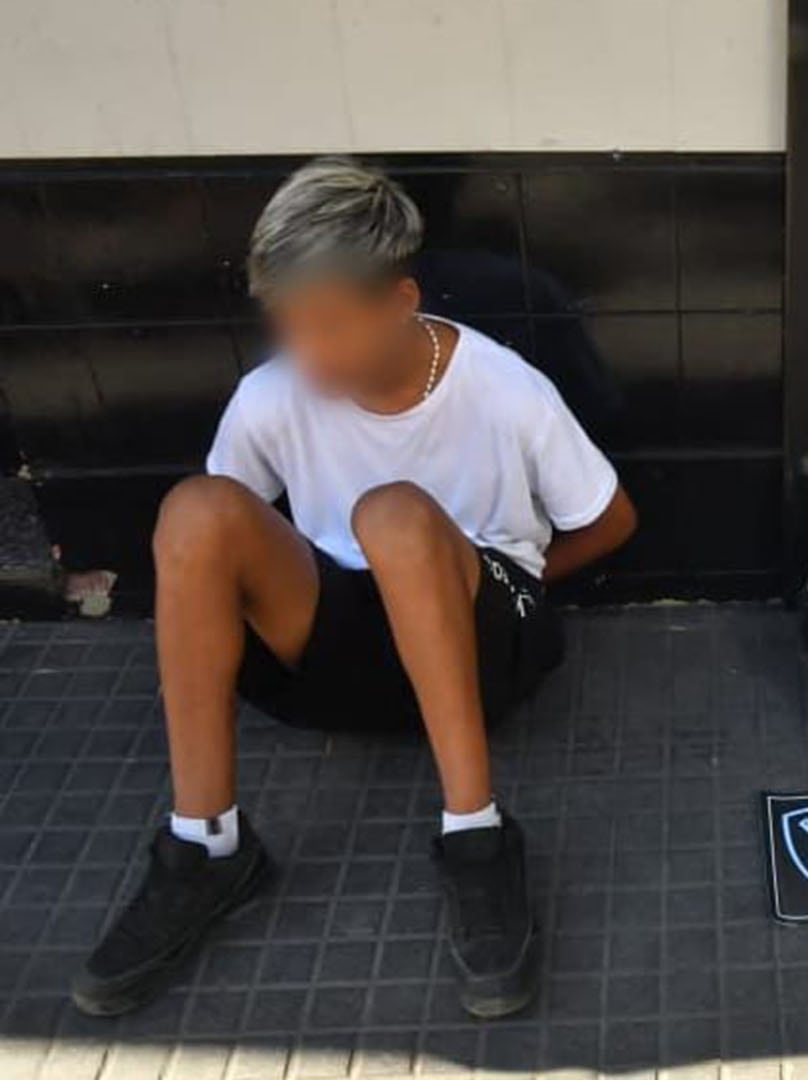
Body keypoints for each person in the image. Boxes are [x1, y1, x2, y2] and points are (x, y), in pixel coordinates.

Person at [71, 158, 636, 1020]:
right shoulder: (270, 397)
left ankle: (476, 835)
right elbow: (221, 549)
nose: (306, 351)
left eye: (329, 325)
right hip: (336, 652)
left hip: (482, 652)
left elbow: (610, 520)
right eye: (288, 326)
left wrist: (519, 579)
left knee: (394, 515)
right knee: (196, 509)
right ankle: (207, 844)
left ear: (401, 301)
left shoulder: (502, 388)